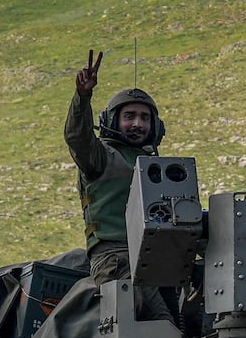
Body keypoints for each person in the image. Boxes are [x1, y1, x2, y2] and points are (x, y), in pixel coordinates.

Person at [64, 48, 170, 320]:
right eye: (129, 116)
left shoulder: (164, 169)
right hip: (117, 259)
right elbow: (78, 137)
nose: (138, 123)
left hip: (160, 259)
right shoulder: (101, 157)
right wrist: (83, 96)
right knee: (160, 322)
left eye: (145, 118)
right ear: (113, 121)